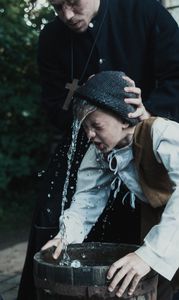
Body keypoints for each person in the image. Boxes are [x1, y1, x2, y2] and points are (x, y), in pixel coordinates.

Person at [17, 0, 179, 299]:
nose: (66, 15)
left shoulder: (144, 13)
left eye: (72, 2)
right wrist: (65, 237)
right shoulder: (52, 39)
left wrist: (146, 115)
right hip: (89, 143)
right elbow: (88, 195)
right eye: (56, 7)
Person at [42, 70, 179, 299]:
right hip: (166, 228)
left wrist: (150, 254)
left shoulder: (162, 134)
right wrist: (65, 237)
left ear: (124, 118)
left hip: (171, 227)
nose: (90, 135)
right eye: (85, 128)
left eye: (96, 125)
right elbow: (87, 198)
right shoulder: (101, 152)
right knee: (154, 290)